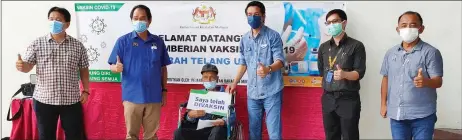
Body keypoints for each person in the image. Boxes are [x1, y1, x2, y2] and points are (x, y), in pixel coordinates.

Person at [16, 7, 89, 140]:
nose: (54, 22)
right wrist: (22, 66)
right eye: (51, 19)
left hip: (71, 100)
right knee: (46, 136)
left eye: (58, 20)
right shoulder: (37, 43)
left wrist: (86, 90)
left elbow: (83, 69)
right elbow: (28, 66)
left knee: (74, 135)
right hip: (44, 100)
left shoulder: (78, 46)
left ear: (67, 24)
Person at [107, 4, 172, 140]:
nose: (139, 21)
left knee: (152, 136)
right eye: (135, 18)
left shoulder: (158, 42)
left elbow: (163, 68)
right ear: (131, 20)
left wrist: (164, 91)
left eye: (142, 18)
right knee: (131, 135)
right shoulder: (123, 41)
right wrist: (115, 68)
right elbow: (112, 65)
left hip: (153, 96)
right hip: (132, 97)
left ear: (149, 21)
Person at [226, 1, 285, 139]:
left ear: (263, 16)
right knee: (254, 133)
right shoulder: (244, 39)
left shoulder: (273, 35)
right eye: (249, 15)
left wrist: (268, 69)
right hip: (252, 93)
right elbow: (243, 63)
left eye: (256, 14)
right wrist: (234, 82)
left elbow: (280, 61)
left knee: (274, 133)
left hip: (272, 91)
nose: (253, 17)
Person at [380, 11, 443, 140]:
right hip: (397, 115)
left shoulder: (431, 52)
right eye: (403, 25)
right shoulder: (391, 53)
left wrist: (425, 82)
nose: (407, 28)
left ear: (421, 28)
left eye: (412, 25)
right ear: (398, 29)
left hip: (423, 116)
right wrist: (383, 104)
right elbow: (386, 78)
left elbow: (438, 81)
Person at [317, 9, 366, 140]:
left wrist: (345, 74)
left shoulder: (356, 46)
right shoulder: (323, 47)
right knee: (331, 136)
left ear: (344, 23)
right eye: (328, 23)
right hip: (328, 98)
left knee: (350, 136)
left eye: (335, 21)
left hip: (348, 100)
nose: (331, 25)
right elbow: (322, 70)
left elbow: (359, 73)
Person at [174, 64, 236, 140]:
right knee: (178, 133)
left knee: (217, 131)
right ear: (202, 79)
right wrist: (190, 115)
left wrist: (223, 121)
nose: (209, 80)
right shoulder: (197, 95)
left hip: (216, 130)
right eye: (205, 77)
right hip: (198, 130)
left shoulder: (225, 94)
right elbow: (188, 119)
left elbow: (232, 116)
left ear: (217, 79)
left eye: (212, 77)